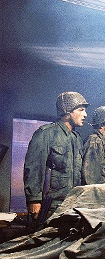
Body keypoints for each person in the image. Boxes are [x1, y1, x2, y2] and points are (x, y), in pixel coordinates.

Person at [23, 91, 89, 221]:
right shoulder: (46, 133)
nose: (85, 114)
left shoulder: (76, 138)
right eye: (81, 110)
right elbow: (34, 167)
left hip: (73, 204)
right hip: (52, 206)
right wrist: (34, 200)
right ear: (67, 112)